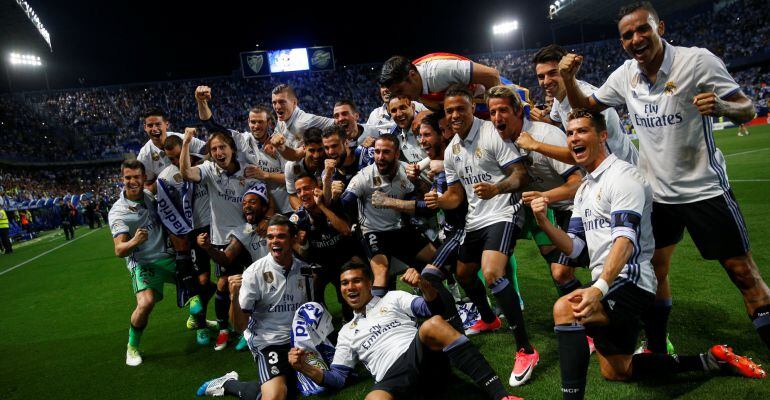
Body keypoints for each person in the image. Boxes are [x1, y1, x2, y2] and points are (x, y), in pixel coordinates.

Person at [559, 1, 770, 355]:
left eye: (643, 29)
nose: (636, 39)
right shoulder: (625, 75)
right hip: (656, 196)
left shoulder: (696, 61)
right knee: (654, 272)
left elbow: (746, 108)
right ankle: (657, 346)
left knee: (742, 273)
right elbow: (588, 107)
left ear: (661, 28)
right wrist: (567, 79)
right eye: (627, 35)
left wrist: (723, 107)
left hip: (704, 189)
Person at [531, 109, 765, 400]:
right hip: (606, 283)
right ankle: (712, 360)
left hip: (633, 281)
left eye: (582, 131)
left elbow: (625, 242)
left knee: (566, 309)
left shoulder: (623, 177)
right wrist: (544, 223)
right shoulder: (583, 191)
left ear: (603, 136)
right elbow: (577, 249)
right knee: (617, 370)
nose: (574, 138)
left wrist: (598, 289)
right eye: (569, 132)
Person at [424, 85, 538, 386]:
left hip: (504, 212)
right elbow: (455, 197)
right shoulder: (451, 151)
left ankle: (526, 349)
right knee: (463, 275)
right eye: (450, 111)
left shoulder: (492, 135)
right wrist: (438, 200)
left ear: (473, 108)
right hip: (475, 220)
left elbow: (521, 175)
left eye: (461, 108)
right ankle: (489, 319)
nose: (455, 115)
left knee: (492, 273)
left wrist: (497, 188)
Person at [284, 261, 522, 400]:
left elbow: (433, 307)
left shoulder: (393, 298)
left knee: (433, 324)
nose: (350, 287)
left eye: (356, 281)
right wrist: (303, 367)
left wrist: (422, 284)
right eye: (345, 283)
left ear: (368, 283)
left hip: (420, 356)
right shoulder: (346, 331)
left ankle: (502, 396)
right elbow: (336, 378)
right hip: (392, 378)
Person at [196, 215, 312, 400]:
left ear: (293, 239)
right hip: (268, 342)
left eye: (281, 236)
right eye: (270, 237)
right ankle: (230, 384)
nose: (274, 241)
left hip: (299, 342)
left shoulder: (305, 271)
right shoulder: (254, 274)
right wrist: (234, 298)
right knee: (275, 396)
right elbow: (240, 327)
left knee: (317, 385)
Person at [487, 85, 585, 297]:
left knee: (563, 271)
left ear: (518, 111)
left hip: (578, 208)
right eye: (492, 112)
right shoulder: (500, 142)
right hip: (553, 210)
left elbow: (578, 183)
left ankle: (602, 311)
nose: (496, 118)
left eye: (503, 110)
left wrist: (544, 197)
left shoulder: (545, 135)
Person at [180, 127, 272, 351]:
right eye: (214, 149)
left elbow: (264, 197)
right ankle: (224, 329)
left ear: (232, 148)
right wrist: (186, 143)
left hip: (248, 234)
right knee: (224, 285)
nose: (219, 152)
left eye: (222, 147)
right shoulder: (209, 170)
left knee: (250, 282)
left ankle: (250, 327)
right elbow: (186, 174)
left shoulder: (248, 170)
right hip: (222, 238)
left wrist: (266, 219)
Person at [341, 135, 436, 297]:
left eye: (386, 152)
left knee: (437, 258)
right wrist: (353, 219)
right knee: (381, 272)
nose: (380, 157)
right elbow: (346, 200)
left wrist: (418, 186)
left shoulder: (406, 171)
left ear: (397, 154)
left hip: (399, 229)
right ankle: (379, 318)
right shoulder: (365, 176)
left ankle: (439, 295)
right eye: (377, 152)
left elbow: (420, 203)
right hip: (373, 231)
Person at [520, 44, 638, 166]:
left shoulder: (586, 100)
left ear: (566, 69)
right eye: (541, 76)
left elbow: (583, 155)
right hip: (604, 169)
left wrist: (535, 145)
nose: (546, 81)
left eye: (552, 73)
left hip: (622, 170)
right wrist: (539, 117)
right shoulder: (559, 97)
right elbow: (554, 121)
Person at [108, 160, 176, 366]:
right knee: (145, 303)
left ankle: (199, 323)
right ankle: (132, 346)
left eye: (136, 177)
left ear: (143, 178)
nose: (132, 181)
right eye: (128, 177)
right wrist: (135, 241)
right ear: (122, 179)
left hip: (167, 256)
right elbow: (119, 250)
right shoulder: (118, 212)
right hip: (144, 263)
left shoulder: (148, 196)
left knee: (199, 284)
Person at [158, 135, 218, 346]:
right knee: (202, 281)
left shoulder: (205, 165)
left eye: (178, 157)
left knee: (219, 283)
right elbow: (166, 211)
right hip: (191, 232)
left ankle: (210, 321)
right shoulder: (166, 177)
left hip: (215, 227)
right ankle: (200, 325)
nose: (175, 162)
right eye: (171, 159)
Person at [195, 85, 292, 214]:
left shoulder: (280, 142)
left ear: (268, 122)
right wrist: (201, 101)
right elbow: (212, 126)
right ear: (248, 122)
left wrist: (265, 175)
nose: (256, 126)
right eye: (253, 122)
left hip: (285, 207)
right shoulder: (242, 140)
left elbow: (292, 178)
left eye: (260, 122)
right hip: (259, 212)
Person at [197, 186, 271, 351]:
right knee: (233, 288)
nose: (247, 206)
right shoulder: (245, 229)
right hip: (263, 280)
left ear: (265, 207)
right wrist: (209, 248)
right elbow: (226, 258)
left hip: (285, 274)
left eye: (252, 202)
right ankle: (246, 330)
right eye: (244, 203)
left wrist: (268, 220)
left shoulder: (277, 222)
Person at [291, 173, 362, 321]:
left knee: (348, 291)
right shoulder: (298, 217)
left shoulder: (334, 204)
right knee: (311, 284)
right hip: (319, 265)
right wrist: (300, 244)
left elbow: (345, 230)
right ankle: (323, 322)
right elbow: (288, 239)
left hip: (343, 260)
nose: (303, 194)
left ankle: (349, 317)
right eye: (299, 191)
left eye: (306, 189)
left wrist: (322, 206)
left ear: (317, 189)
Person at [380, 54, 501, 111]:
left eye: (400, 91)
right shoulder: (414, 85)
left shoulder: (440, 71)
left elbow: (492, 75)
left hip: (493, 94)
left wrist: (496, 114)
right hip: (473, 106)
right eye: (396, 94)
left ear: (412, 76)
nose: (400, 97)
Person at [136, 107, 207, 188]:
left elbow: (208, 151)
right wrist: (164, 181)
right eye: (150, 125)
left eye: (158, 124)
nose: (154, 129)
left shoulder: (184, 139)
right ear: (145, 127)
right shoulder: (144, 156)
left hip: (196, 188)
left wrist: (195, 163)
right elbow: (146, 185)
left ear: (166, 124)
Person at [269, 84, 336, 162]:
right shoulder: (282, 117)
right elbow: (276, 133)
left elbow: (337, 123)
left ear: (294, 103)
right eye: (274, 102)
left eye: (282, 102)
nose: (277, 107)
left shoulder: (305, 121)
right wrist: (271, 143)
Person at [284, 128, 326, 210]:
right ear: (304, 148)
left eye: (320, 150)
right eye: (312, 150)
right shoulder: (291, 166)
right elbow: (292, 195)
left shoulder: (329, 162)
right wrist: (304, 213)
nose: (316, 155)